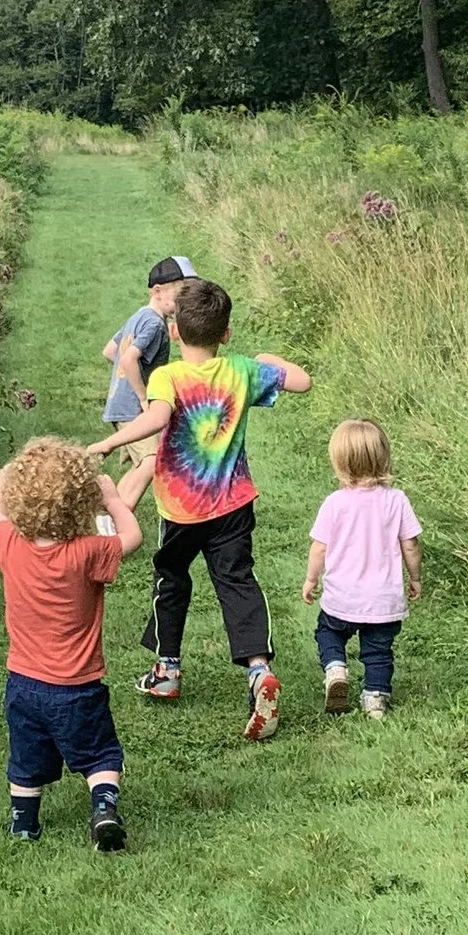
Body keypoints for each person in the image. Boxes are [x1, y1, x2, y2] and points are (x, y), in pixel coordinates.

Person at [95, 275, 310, 742]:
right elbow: (302, 381)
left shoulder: (167, 376)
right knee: (237, 582)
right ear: (226, 334)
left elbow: (155, 418)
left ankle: (167, 669)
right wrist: (269, 359)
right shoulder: (240, 369)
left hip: (180, 509)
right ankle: (258, 670)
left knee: (171, 580)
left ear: (174, 332)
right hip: (233, 505)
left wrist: (111, 439)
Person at [0, 438, 141, 850]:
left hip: (23, 683)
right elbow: (133, 537)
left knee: (26, 758)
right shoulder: (88, 552)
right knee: (100, 754)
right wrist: (111, 498)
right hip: (78, 685)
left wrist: (3, 478)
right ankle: (104, 807)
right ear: (81, 503)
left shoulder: (9, 545)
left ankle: (23, 823)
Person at [301, 416, 422, 721]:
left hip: (342, 596)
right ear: (383, 457)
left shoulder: (335, 503)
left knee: (328, 631)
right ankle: (375, 699)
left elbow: (320, 547)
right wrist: (415, 578)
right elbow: (410, 545)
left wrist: (311, 578)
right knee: (378, 650)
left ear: (339, 462)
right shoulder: (397, 500)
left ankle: (336, 668)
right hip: (383, 599)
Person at [102, 254, 195, 426]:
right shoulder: (155, 324)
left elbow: (110, 351)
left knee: (134, 453)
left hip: (120, 409)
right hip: (137, 412)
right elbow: (128, 358)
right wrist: (144, 398)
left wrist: (127, 375)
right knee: (151, 454)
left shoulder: (139, 317)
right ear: (157, 292)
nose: (185, 301)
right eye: (180, 295)